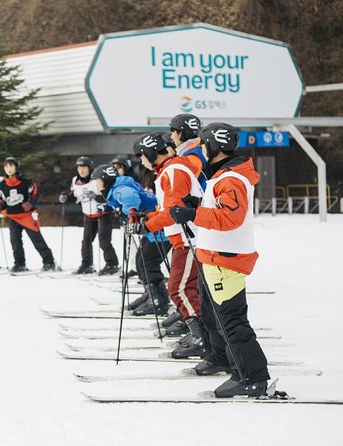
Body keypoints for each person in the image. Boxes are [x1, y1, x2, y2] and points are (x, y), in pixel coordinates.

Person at [170, 122, 269, 398]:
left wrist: (192, 215)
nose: (201, 150)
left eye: (204, 145)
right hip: (213, 257)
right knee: (219, 318)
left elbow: (230, 218)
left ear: (214, 145)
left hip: (225, 260)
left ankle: (252, 377)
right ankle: (230, 362)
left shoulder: (232, 178)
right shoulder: (224, 175)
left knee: (232, 321)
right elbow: (219, 208)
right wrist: (196, 205)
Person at [135, 133, 206, 358]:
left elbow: (175, 210)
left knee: (180, 288)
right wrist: (146, 217)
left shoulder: (174, 170)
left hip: (189, 238)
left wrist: (148, 226)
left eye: (142, 156)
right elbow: (167, 206)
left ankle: (201, 336)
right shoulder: (169, 169)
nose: (141, 161)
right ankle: (201, 332)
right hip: (183, 239)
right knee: (184, 287)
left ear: (151, 153)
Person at [90, 164, 170, 314]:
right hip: (151, 230)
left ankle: (159, 301)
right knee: (141, 262)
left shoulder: (120, 189)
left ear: (106, 180)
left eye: (98, 181)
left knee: (147, 263)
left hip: (159, 229)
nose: (96, 184)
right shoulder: (118, 186)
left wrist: (129, 215)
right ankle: (151, 295)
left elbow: (131, 200)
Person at [0, 156, 56, 272]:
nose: (9, 169)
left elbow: (35, 195)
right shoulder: (3, 184)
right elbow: (2, 200)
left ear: (16, 167)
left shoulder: (26, 181)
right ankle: (19, 264)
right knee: (15, 242)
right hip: (13, 217)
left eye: (11, 166)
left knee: (37, 240)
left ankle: (49, 262)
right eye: (6, 166)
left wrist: (30, 203)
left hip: (27, 216)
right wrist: (0, 206)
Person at [62, 156, 118, 275]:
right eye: (79, 168)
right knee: (86, 241)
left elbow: (108, 195)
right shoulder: (75, 181)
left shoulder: (96, 179)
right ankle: (87, 264)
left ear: (90, 168)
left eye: (84, 167)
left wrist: (96, 197)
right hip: (88, 215)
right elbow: (75, 196)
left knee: (103, 240)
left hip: (103, 214)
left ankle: (112, 264)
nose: (81, 170)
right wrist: (66, 198)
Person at [169, 113, 207, 189]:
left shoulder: (193, 156)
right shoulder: (199, 149)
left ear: (181, 133)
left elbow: (182, 185)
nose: (171, 137)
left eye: (173, 132)